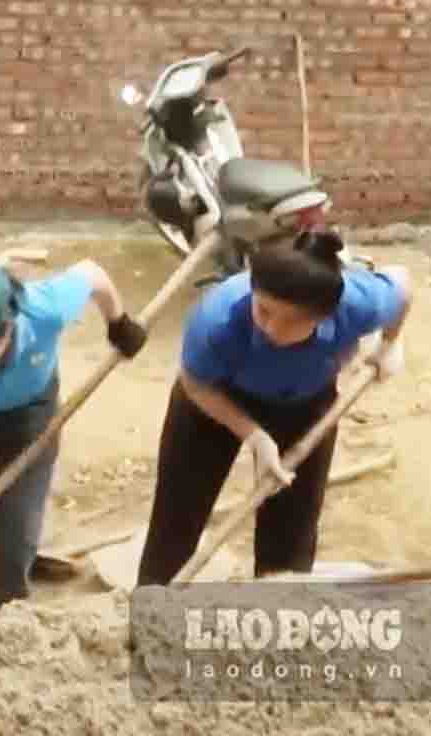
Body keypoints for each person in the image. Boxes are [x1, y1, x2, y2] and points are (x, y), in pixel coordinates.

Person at [135, 233, 412, 586]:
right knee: (178, 512)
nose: (272, 328)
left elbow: (404, 286)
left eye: (292, 321)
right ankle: (155, 603)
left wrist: (389, 344)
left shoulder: (358, 303)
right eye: (264, 310)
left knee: (291, 528)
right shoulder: (218, 317)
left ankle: (277, 608)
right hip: (215, 399)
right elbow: (195, 384)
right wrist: (256, 436)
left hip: (304, 403)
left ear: (324, 316)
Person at [0, 258, 148, 614]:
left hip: (31, 410)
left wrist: (118, 322)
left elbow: (92, 273)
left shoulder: (45, 309)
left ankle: (4, 615)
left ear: (6, 329)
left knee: (18, 523)